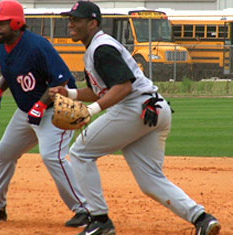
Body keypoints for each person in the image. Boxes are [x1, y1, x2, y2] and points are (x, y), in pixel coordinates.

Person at [49, 1, 222, 235]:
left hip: (135, 108)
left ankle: (100, 221)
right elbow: (100, 90)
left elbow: (123, 87)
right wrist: (68, 93)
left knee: (80, 152)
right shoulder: (96, 48)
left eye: (76, 20)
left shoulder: (102, 48)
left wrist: (90, 111)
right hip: (154, 110)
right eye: (69, 19)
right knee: (150, 180)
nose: (71, 24)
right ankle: (202, 218)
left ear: (92, 23)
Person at [0, 0, 90, 227]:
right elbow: (11, 72)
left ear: (16, 23)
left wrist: (40, 106)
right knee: (5, 152)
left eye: (1, 24)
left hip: (56, 110)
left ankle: (86, 210)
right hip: (27, 111)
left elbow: (60, 80)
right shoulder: (2, 45)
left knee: (52, 157)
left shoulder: (37, 46)